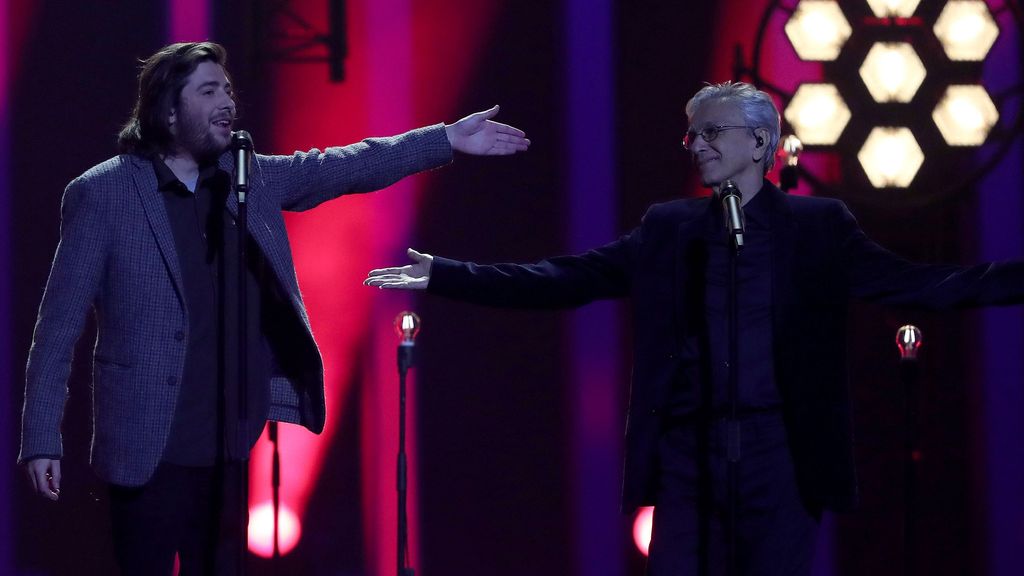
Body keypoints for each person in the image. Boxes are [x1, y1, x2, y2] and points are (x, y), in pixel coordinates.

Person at [364, 81, 1024, 575]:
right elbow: (565, 279)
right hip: (688, 455)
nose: (698, 144)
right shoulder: (669, 229)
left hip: (783, 455)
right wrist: (446, 274)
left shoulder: (818, 230)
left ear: (760, 142)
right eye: (693, 135)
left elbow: (925, 285)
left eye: (712, 132)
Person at [18, 41, 529, 575]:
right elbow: (56, 327)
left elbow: (345, 166)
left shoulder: (247, 179)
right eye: (209, 91)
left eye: (229, 90)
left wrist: (444, 138)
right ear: (168, 111)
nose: (227, 103)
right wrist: (39, 438)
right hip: (145, 445)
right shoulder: (103, 194)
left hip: (229, 444)